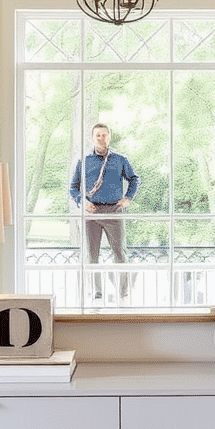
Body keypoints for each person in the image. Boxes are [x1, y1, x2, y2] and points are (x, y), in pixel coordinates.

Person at [69, 123, 139, 301]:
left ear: (110, 137)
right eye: (98, 135)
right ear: (92, 138)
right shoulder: (83, 161)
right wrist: (82, 202)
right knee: (92, 255)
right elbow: (73, 188)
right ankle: (97, 293)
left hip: (114, 211)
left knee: (120, 253)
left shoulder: (120, 159)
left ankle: (123, 293)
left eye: (104, 135)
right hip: (91, 212)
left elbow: (134, 179)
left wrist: (128, 198)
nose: (101, 138)